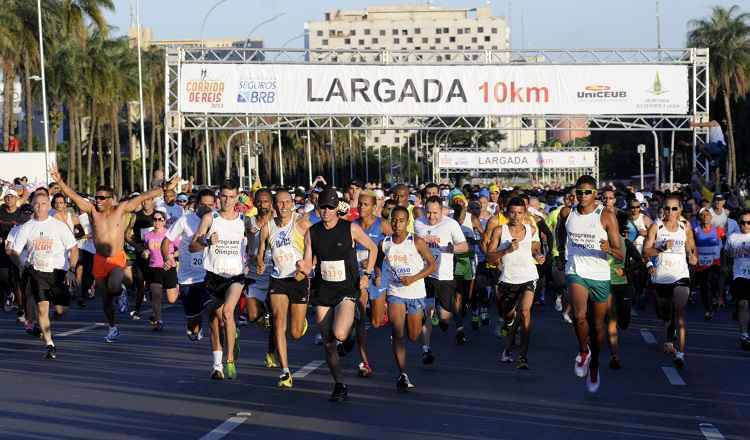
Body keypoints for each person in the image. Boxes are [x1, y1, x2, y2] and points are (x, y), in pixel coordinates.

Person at [50, 167, 178, 343]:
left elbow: (142, 197)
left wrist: (163, 189)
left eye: (102, 198)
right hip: (99, 260)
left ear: (111, 199)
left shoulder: (121, 209)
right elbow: (75, 197)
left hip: (117, 258)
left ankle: (122, 291)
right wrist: (60, 182)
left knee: (114, 285)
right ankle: (112, 328)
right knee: (106, 300)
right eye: (97, 197)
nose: (98, 200)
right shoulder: (92, 210)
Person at [302, 187, 377, 402]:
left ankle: (352, 328)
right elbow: (309, 262)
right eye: (322, 207)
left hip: (346, 289)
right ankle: (339, 384)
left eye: (330, 207)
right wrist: (303, 267)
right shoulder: (312, 232)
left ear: (337, 209)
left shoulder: (350, 228)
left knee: (341, 334)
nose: (326, 211)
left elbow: (373, 248)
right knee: (327, 342)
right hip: (323, 290)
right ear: (318, 208)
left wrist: (368, 274)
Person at [558, 175, 623, 393]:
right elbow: (560, 231)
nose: (582, 196)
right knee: (578, 315)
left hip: (600, 274)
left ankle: (594, 365)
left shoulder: (606, 216)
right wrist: (560, 255)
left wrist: (609, 250)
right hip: (576, 271)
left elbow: (620, 253)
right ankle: (583, 351)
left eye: (587, 192)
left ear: (595, 194)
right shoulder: (567, 213)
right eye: (579, 192)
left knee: (597, 326)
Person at [9, 191, 78, 359]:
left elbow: (73, 248)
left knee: (61, 310)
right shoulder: (26, 227)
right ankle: (49, 344)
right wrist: (22, 264)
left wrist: (71, 270)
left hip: (58, 272)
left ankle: (47, 324)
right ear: (32, 206)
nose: (40, 207)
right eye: (37, 204)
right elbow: (14, 251)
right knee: (42, 308)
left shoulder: (58, 225)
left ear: (49, 205)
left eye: (43, 204)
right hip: (37, 272)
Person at [190, 180, 247, 380]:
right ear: (218, 197)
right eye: (224, 196)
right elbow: (192, 246)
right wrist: (205, 241)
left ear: (237, 197)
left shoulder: (243, 220)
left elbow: (256, 244)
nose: (227, 200)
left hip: (236, 277)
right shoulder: (210, 218)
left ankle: (229, 359)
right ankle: (217, 365)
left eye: (232, 197)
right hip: (213, 277)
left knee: (228, 313)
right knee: (215, 321)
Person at [256, 189, 312, 388]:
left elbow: (314, 250)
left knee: (296, 333)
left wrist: (306, 268)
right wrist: (261, 263)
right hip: (278, 279)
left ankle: (301, 321)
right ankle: (285, 372)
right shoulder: (268, 228)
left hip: (298, 279)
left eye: (287, 202)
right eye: (280, 203)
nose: (284, 206)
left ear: (292, 203)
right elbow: (261, 250)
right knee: (279, 323)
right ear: (274, 205)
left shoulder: (302, 223)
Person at [381, 206, 436, 391]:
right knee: (398, 333)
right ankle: (402, 374)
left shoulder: (417, 241)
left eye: (401, 220)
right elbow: (380, 266)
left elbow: (431, 265)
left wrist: (413, 278)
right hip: (395, 292)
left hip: (416, 293)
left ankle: (418, 320)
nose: (397, 224)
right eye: (394, 220)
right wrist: (376, 273)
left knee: (413, 336)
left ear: (408, 222)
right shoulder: (386, 243)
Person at [488, 197, 544, 369]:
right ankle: (507, 347)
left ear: (525, 213)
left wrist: (538, 256)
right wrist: (506, 250)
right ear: (507, 213)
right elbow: (490, 256)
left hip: (528, 276)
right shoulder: (499, 230)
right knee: (511, 317)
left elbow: (534, 248)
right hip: (507, 280)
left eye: (520, 212)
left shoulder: (531, 229)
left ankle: (523, 356)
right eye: (512, 212)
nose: (516, 216)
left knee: (525, 313)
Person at [643, 194, 697, 368]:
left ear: (680, 209)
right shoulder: (656, 227)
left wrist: (692, 256)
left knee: (679, 312)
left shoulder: (685, 227)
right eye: (667, 208)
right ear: (662, 209)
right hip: (661, 278)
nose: (670, 212)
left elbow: (691, 246)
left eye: (674, 208)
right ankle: (668, 334)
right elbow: (646, 251)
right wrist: (660, 248)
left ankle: (680, 354)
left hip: (680, 275)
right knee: (665, 313)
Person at [415, 195, 469, 362]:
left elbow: (465, 246)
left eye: (435, 213)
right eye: (428, 212)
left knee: (445, 316)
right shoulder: (418, 223)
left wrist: (453, 248)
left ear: (442, 210)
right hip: (425, 274)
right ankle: (426, 349)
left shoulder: (450, 224)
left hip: (444, 276)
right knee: (427, 312)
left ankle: (444, 312)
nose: (431, 217)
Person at [164, 189, 215, 341]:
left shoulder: (216, 220)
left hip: (209, 273)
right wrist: (167, 257)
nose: (207, 208)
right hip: (188, 276)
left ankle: (220, 334)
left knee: (212, 305)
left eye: (210, 205)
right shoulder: (185, 220)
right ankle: (193, 325)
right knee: (193, 315)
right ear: (196, 204)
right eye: (203, 204)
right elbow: (166, 241)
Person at [353, 190, 391, 377]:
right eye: (360, 204)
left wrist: (377, 266)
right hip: (360, 278)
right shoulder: (352, 226)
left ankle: (383, 310)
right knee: (360, 319)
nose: (361, 207)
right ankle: (364, 362)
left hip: (378, 276)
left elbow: (394, 248)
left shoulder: (382, 225)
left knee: (375, 322)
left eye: (365, 204)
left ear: (374, 207)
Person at [142, 211, 178, 331]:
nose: (157, 221)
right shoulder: (147, 235)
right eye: (155, 219)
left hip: (169, 267)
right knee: (156, 296)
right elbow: (147, 249)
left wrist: (172, 256)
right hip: (154, 268)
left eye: (160, 219)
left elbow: (182, 249)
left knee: (171, 300)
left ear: (165, 221)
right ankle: (158, 320)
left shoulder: (170, 234)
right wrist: (145, 252)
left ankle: (178, 286)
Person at [693, 208, 724, 321]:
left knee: (714, 279)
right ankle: (708, 310)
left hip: (714, 262)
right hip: (701, 264)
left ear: (711, 217)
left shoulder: (718, 230)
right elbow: (691, 245)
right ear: (699, 218)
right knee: (704, 287)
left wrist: (724, 261)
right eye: (703, 215)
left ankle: (716, 297)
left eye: (707, 215)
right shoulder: (695, 230)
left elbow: (724, 246)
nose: (705, 217)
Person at [725, 210, 750, 350]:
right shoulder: (733, 237)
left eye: (748, 222)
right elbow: (726, 254)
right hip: (740, 275)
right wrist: (725, 269)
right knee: (743, 303)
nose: (745, 225)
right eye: (743, 222)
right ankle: (744, 334)